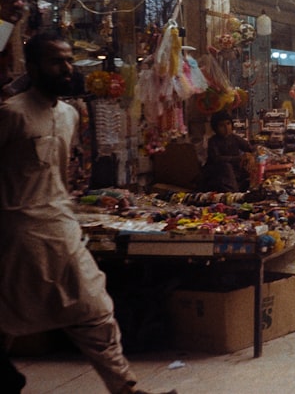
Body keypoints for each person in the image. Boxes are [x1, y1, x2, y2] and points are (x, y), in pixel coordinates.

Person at [0, 31, 175, 394]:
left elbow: (59, 176)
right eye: (55, 61)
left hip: (62, 230)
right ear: (32, 68)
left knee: (95, 308)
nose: (66, 68)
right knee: (6, 318)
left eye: (68, 60)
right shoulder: (11, 115)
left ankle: (124, 387)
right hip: (17, 237)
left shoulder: (68, 115)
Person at [201, 110, 254, 191]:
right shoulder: (213, 141)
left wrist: (250, 156)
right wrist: (238, 158)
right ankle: (234, 194)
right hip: (218, 173)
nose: (226, 128)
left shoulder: (234, 138)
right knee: (226, 166)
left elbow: (250, 148)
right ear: (215, 128)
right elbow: (217, 158)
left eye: (228, 124)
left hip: (235, 171)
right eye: (221, 125)